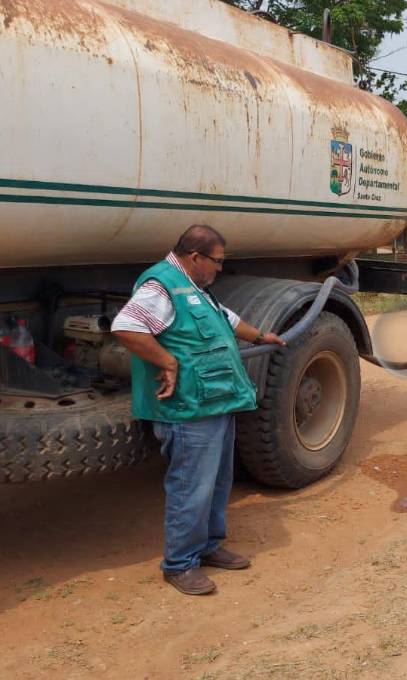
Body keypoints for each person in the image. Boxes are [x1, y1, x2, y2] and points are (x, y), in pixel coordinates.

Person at [112, 225, 285, 596]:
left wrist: (259, 336)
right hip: (188, 408)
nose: (220, 268)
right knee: (191, 486)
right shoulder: (161, 285)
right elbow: (126, 327)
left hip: (215, 401)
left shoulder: (193, 285)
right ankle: (179, 564)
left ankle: (207, 546)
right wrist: (167, 362)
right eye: (217, 261)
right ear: (195, 257)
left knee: (217, 482)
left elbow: (224, 318)